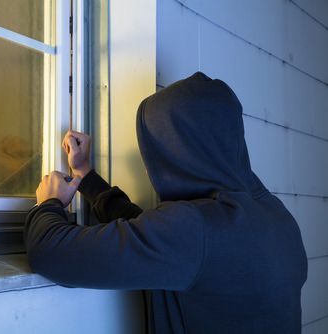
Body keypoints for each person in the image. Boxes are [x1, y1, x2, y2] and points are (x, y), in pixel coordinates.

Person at [24, 72, 307, 333]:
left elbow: (50, 252)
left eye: (154, 152)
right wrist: (86, 177)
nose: (150, 168)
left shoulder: (196, 230)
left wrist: (49, 203)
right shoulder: (278, 218)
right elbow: (154, 238)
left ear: (179, 153)